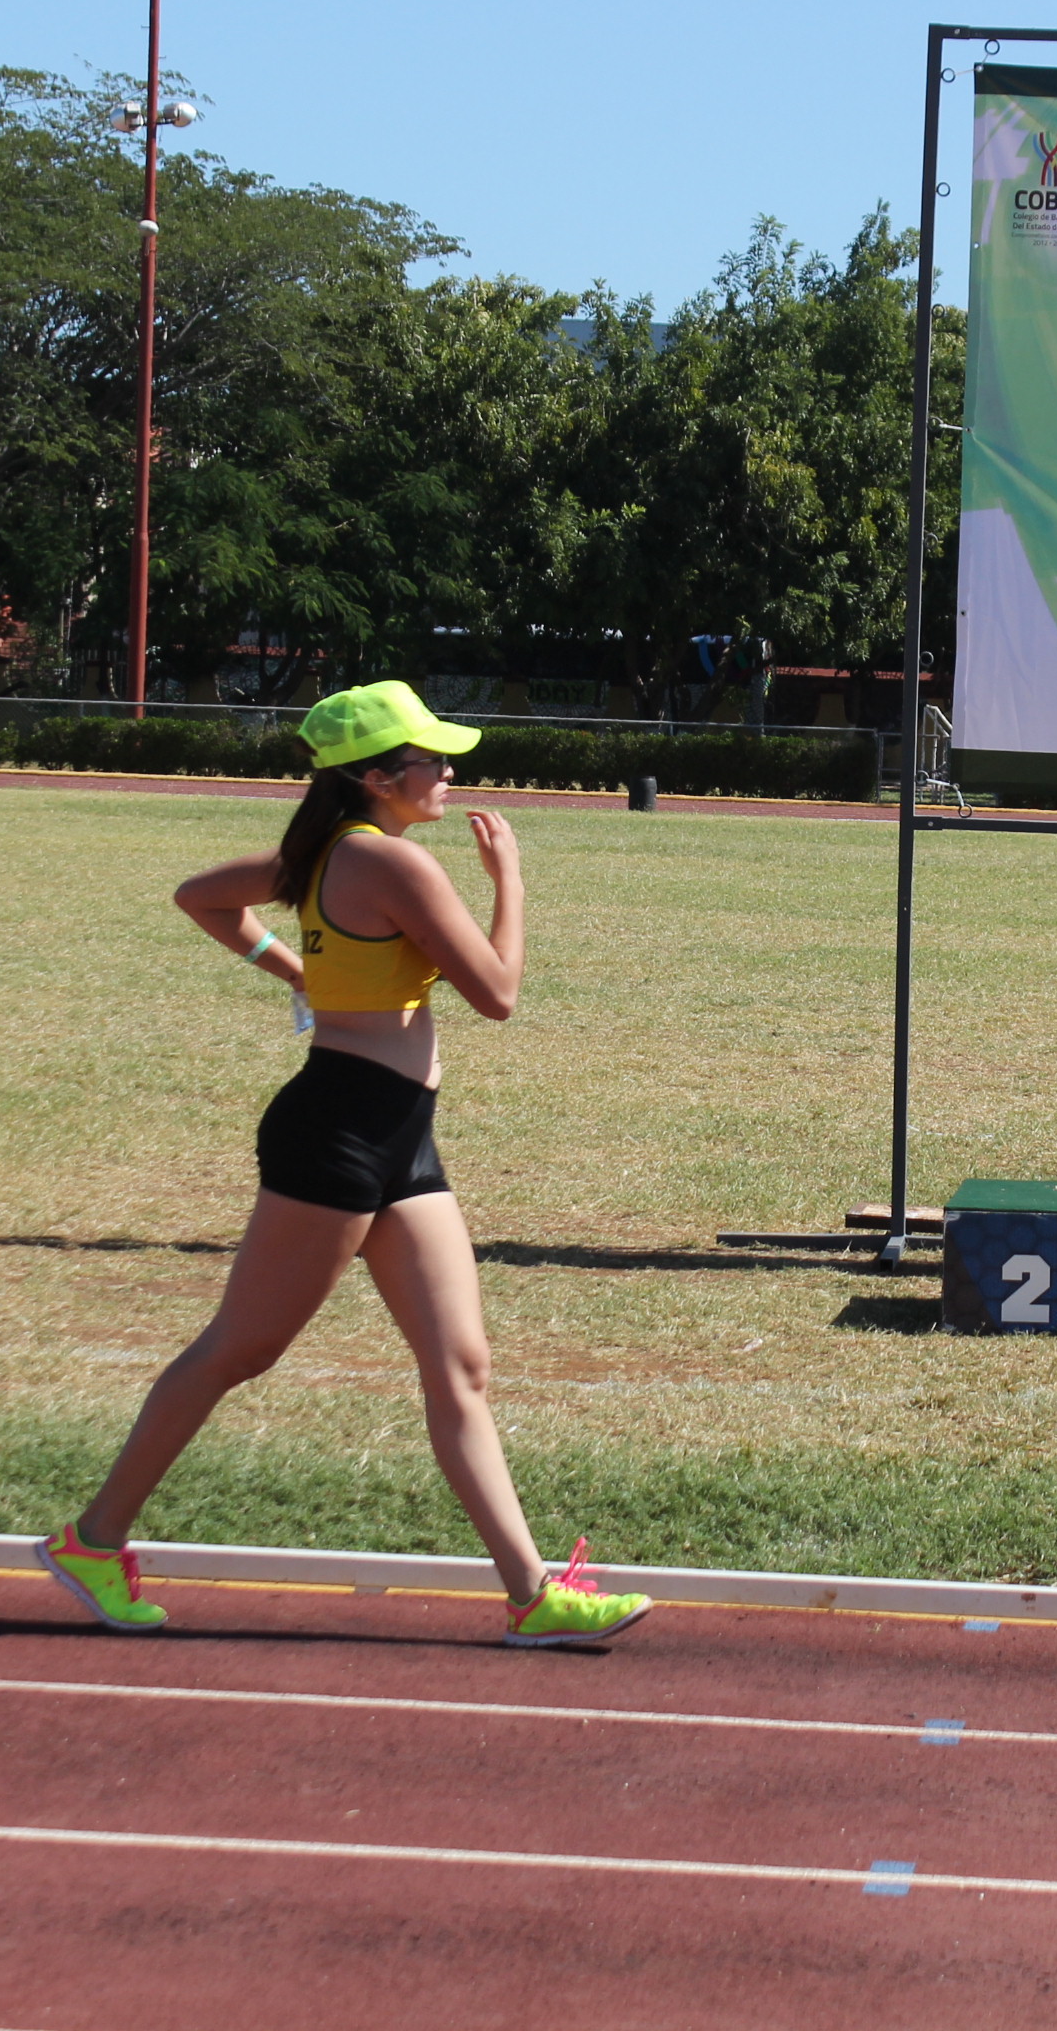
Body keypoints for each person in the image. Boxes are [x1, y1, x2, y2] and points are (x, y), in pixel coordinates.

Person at [39, 680, 651, 1648]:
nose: (449, 772)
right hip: (340, 1131)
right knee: (241, 1349)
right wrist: (511, 883)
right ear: (376, 776)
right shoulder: (393, 865)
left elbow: (201, 899)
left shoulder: (318, 854)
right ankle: (93, 1538)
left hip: (399, 1132)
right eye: (431, 759)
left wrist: (298, 973)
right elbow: (496, 995)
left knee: (462, 1366)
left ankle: (534, 1594)